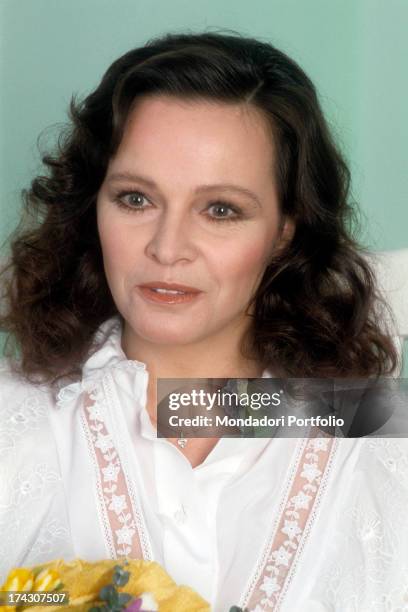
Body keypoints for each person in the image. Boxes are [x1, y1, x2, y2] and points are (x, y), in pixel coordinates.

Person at [0, 31, 407, 610]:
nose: (168, 249)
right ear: (92, 206)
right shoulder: (12, 428)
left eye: (221, 210)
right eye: (136, 199)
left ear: (285, 229)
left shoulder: (381, 443)